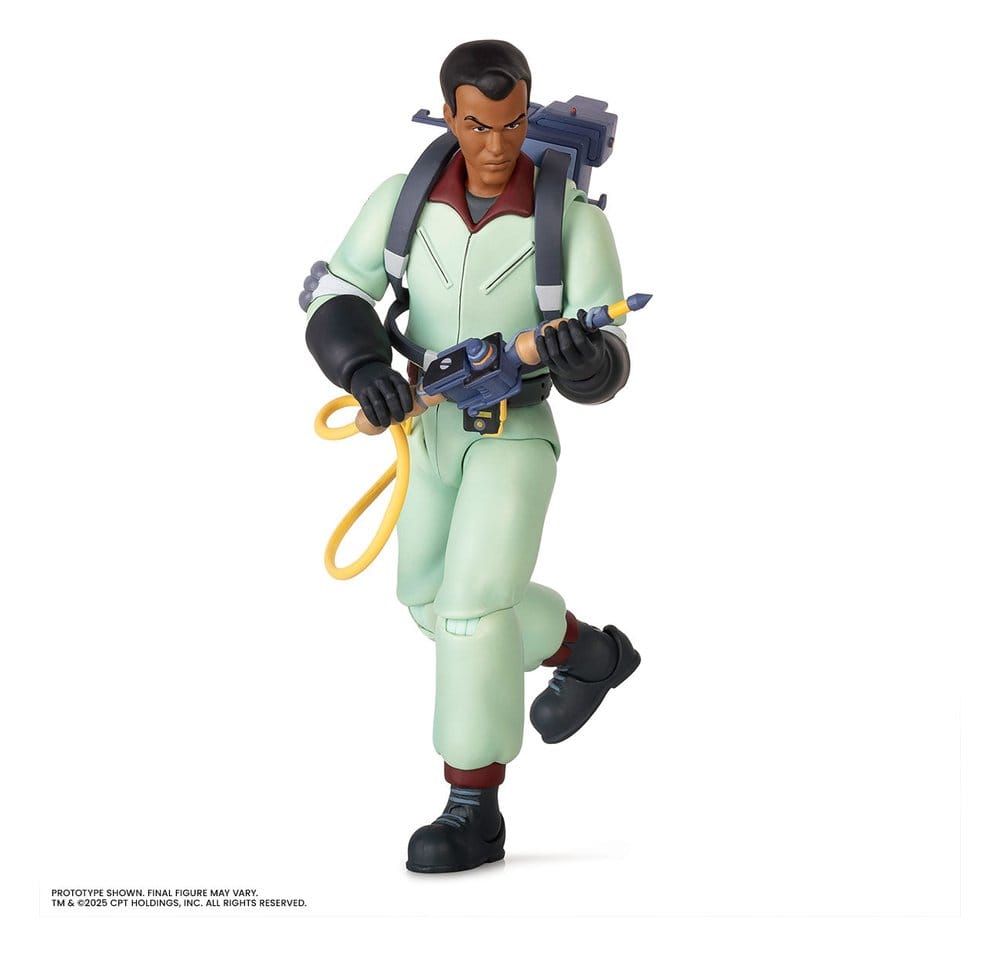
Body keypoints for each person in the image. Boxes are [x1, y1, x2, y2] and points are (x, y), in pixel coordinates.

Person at [302, 39, 640, 873]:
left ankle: (472, 806)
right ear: (450, 116)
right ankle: (588, 654)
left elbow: (609, 351)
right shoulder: (405, 201)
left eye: (513, 124)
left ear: (529, 115)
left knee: (469, 612)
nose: (497, 145)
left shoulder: (572, 222)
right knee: (427, 601)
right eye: (480, 125)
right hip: (426, 426)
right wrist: (363, 368)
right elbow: (336, 290)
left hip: (511, 433)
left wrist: (582, 360)